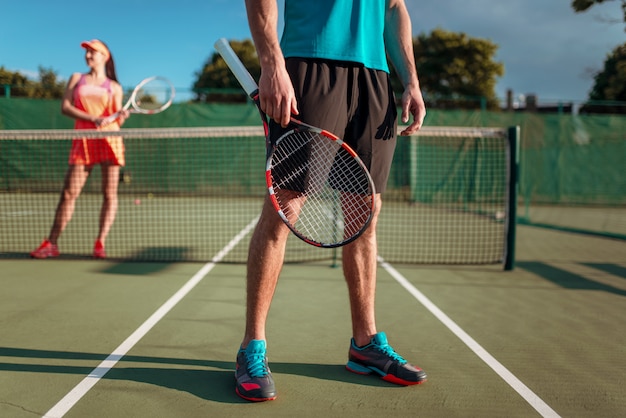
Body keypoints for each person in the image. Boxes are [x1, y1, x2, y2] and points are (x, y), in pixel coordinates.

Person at [235, 0, 428, 402]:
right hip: (309, 64)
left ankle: (365, 344)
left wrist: (410, 78)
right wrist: (272, 64)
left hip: (374, 78)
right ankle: (252, 346)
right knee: (284, 209)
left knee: (366, 216)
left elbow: (394, 9)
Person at [30, 39, 129, 260]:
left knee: (109, 194)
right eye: (86, 52)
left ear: (105, 56)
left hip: (110, 140)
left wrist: (119, 116)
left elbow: (114, 119)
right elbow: (65, 107)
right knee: (69, 193)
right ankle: (52, 243)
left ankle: (100, 243)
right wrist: (93, 118)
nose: (87, 56)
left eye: (92, 52)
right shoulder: (77, 78)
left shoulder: (114, 87)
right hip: (83, 140)